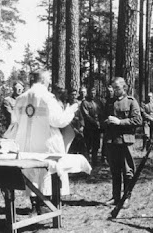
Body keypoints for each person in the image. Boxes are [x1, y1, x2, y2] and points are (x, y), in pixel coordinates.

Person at [12, 70, 78, 214]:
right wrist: (71, 111)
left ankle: (34, 204)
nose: (49, 82)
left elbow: (15, 121)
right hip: (46, 142)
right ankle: (45, 205)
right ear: (43, 80)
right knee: (47, 172)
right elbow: (58, 121)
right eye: (48, 79)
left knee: (31, 172)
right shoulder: (47, 98)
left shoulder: (21, 98)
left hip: (27, 143)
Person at [104, 77, 142, 208]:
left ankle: (126, 198)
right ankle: (115, 197)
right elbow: (104, 118)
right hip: (112, 140)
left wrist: (120, 122)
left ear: (124, 88)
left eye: (117, 88)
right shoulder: (110, 102)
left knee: (127, 171)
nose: (115, 90)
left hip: (125, 141)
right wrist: (107, 121)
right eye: (113, 88)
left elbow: (137, 120)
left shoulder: (131, 101)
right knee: (115, 171)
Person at [81, 87, 104, 166]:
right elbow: (86, 115)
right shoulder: (85, 103)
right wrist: (95, 122)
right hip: (89, 128)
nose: (92, 95)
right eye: (91, 93)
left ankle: (94, 161)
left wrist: (100, 123)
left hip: (97, 128)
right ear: (88, 93)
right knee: (88, 146)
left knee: (96, 145)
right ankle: (87, 163)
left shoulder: (98, 102)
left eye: (94, 93)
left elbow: (102, 113)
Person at [67, 89, 87, 156]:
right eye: (72, 95)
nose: (73, 96)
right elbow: (66, 119)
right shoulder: (66, 105)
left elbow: (81, 117)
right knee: (71, 150)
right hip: (70, 131)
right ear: (69, 95)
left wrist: (82, 126)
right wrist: (73, 129)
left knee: (82, 149)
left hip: (78, 130)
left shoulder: (77, 105)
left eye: (75, 95)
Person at [101, 85, 115, 163]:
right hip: (106, 123)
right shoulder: (104, 101)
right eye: (108, 91)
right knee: (105, 141)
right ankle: (104, 157)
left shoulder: (115, 100)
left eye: (111, 91)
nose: (110, 93)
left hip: (114, 123)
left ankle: (111, 158)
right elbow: (102, 112)